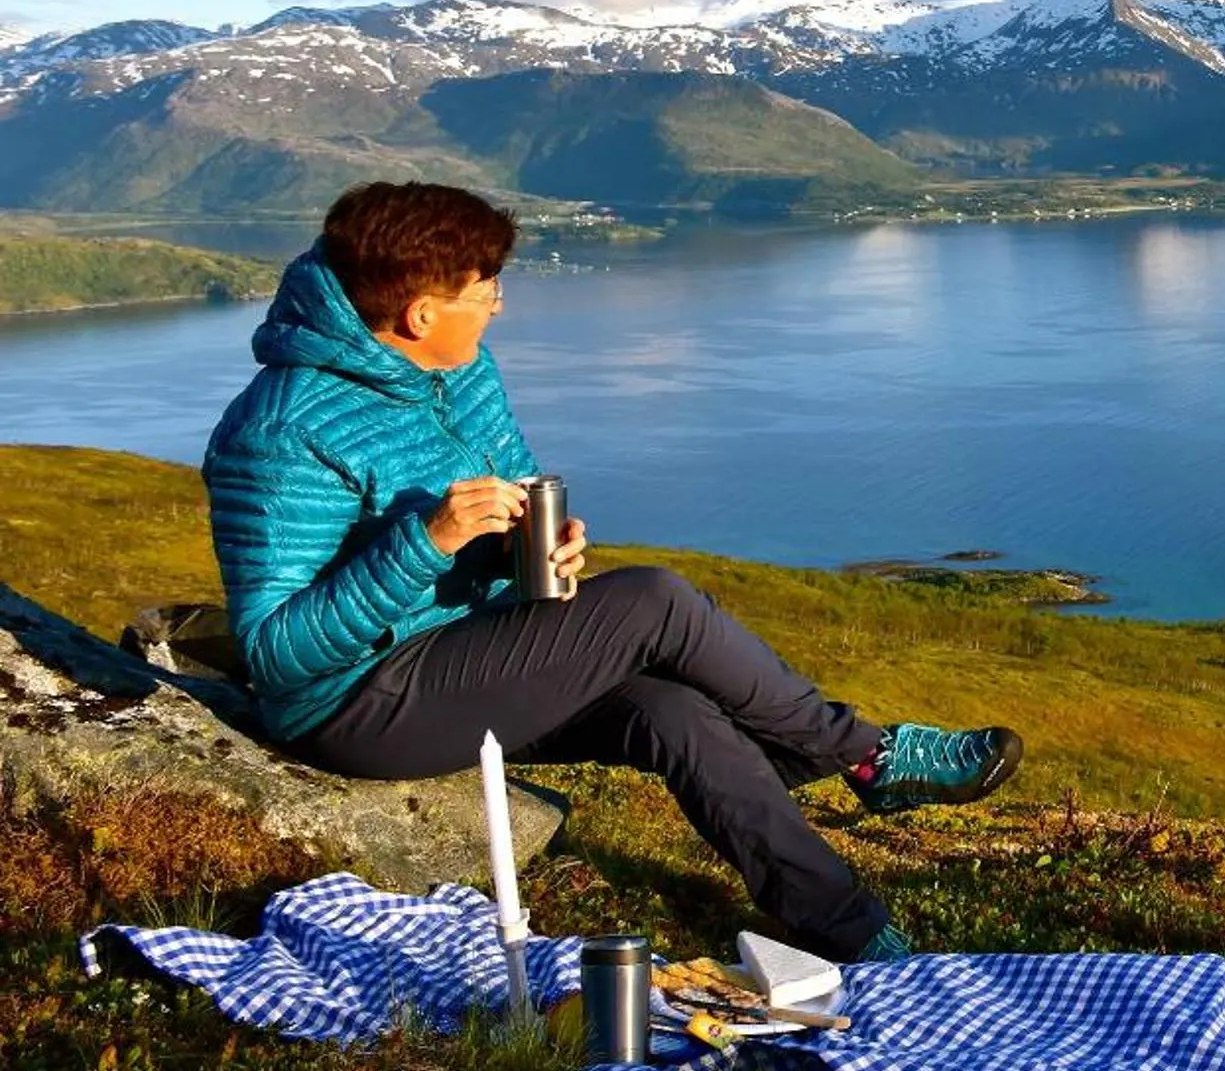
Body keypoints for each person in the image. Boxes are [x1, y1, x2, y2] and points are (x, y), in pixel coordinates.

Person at [202, 180, 1019, 961]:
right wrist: (427, 541)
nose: (498, 304)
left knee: (673, 712)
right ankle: (867, 754)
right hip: (355, 703)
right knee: (653, 599)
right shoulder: (279, 431)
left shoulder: (463, 370)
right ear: (422, 313)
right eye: (485, 289)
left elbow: (512, 494)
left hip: (470, 652)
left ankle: (847, 929)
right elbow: (276, 652)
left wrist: (531, 551)